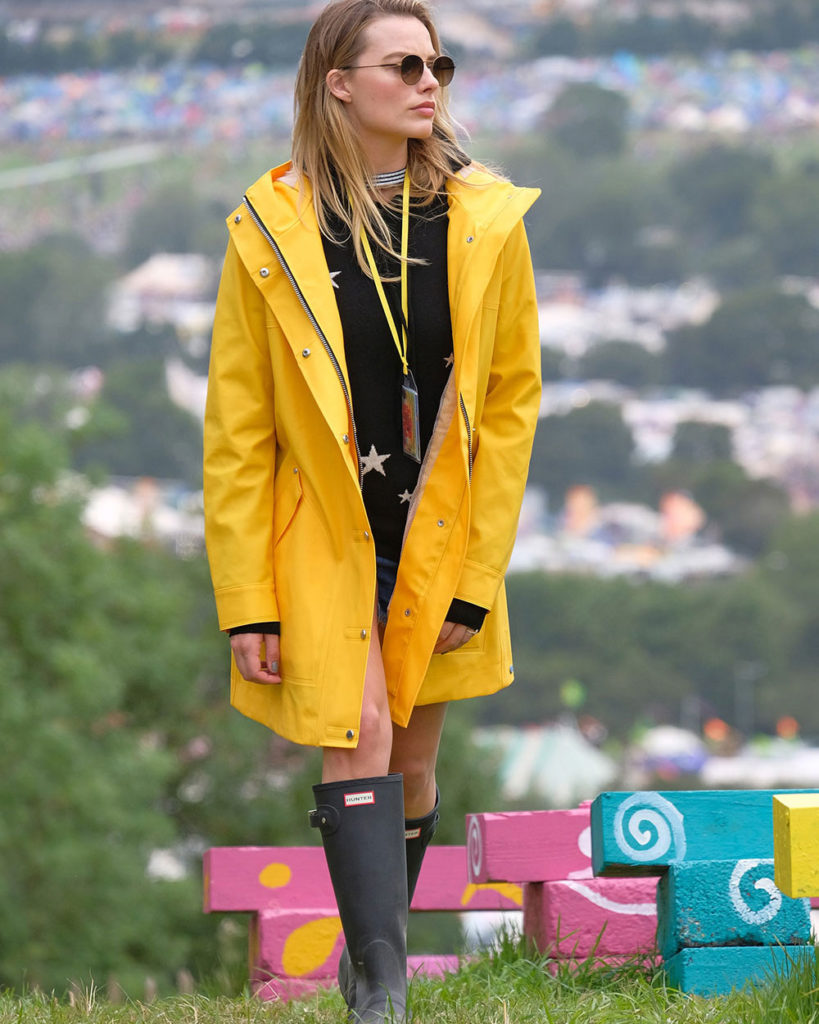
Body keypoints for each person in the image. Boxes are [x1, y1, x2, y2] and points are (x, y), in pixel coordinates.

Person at [203, 0, 541, 1019]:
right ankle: (382, 990)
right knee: (358, 733)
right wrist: (246, 601)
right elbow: (237, 431)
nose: (430, 79)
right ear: (339, 82)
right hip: (323, 539)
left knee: (417, 759)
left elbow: (512, 411)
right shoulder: (269, 227)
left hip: (439, 536)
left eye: (440, 61)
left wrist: (479, 581)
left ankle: (367, 955)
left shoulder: (488, 221)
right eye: (405, 63)